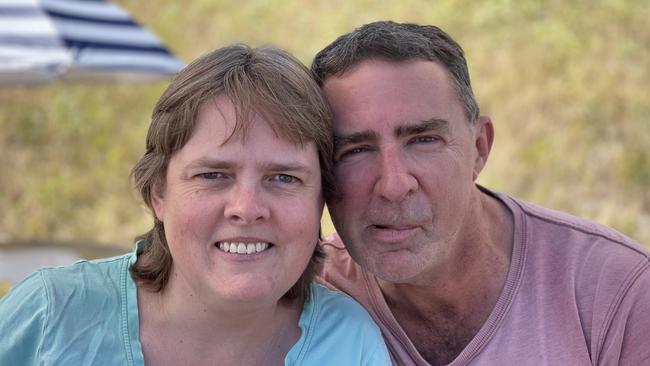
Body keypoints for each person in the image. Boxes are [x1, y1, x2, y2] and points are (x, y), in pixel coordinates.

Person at [0, 44, 391, 366]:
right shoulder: (51, 316)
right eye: (213, 175)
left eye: (284, 178)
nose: (247, 207)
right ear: (158, 194)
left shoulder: (347, 344)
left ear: (319, 201)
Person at [311, 20, 650, 366]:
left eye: (424, 140)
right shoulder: (302, 303)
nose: (394, 185)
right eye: (354, 150)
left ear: (479, 147)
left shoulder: (615, 292)